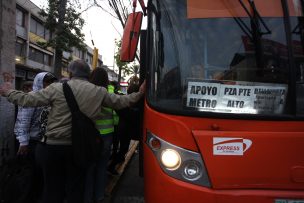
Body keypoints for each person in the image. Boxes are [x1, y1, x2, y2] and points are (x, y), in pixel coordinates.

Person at [0, 59, 145, 203]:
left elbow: (27, 100)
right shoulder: (99, 91)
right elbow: (122, 102)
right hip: (80, 148)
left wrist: (8, 92)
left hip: (53, 148)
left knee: (52, 189)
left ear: (70, 73)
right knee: (76, 189)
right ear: (88, 74)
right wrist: (140, 93)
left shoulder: (56, 88)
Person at [84, 67, 115, 203]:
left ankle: (87, 197)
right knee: (102, 167)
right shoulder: (110, 91)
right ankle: (99, 196)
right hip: (107, 134)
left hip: (90, 135)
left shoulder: (87, 91)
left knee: (89, 167)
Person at [108, 81, 141, 175]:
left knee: (120, 147)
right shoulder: (136, 105)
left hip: (121, 128)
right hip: (126, 131)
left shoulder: (123, 102)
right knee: (123, 149)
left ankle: (114, 162)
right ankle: (111, 166)